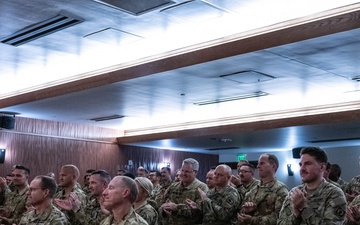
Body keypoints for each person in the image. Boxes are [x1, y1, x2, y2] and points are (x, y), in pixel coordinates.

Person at [278, 146, 347, 225]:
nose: (302, 169)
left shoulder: (334, 194)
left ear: (322, 167)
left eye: (307, 164)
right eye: (301, 165)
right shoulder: (294, 193)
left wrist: (303, 208)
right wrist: (296, 215)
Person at [237, 154, 288, 225]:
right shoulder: (254, 189)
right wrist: (247, 211)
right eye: (258, 163)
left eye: (262, 163)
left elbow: (280, 217)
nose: (258, 166)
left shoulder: (280, 190)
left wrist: (252, 220)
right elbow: (241, 213)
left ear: (273, 166)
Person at [159, 158, 208, 225]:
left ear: (195, 172)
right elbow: (161, 203)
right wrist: (164, 209)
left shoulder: (202, 188)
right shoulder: (173, 186)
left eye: (187, 171)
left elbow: (200, 212)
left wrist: (177, 208)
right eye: (182, 170)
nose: (183, 173)